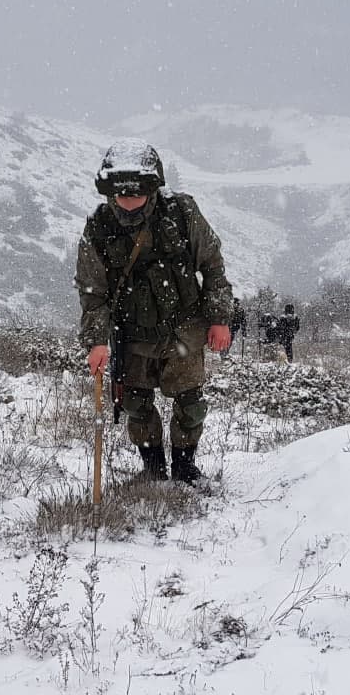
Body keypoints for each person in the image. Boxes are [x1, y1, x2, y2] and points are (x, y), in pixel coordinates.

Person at [75, 139, 233, 485]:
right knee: (136, 406)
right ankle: (153, 468)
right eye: (121, 195)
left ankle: (185, 467)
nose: (128, 204)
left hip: (185, 332)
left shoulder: (182, 213)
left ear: (153, 187)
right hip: (132, 337)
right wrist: (96, 342)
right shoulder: (100, 227)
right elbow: (92, 291)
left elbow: (213, 265)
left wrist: (220, 318)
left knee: (191, 405)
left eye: (137, 195)